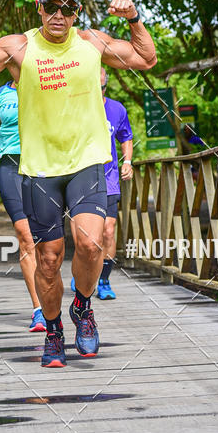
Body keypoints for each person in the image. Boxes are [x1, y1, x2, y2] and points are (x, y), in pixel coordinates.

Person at [0, 0, 156, 368]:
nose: (60, 14)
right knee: (48, 259)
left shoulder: (92, 42)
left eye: (69, 7)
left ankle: (82, 306)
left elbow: (146, 58)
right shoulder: (20, 48)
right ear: (40, 8)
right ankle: (55, 330)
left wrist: (134, 18)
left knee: (92, 245)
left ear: (77, 11)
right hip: (39, 169)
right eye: (53, 6)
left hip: (87, 162)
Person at [0, 81, 45, 332]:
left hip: (43, 165)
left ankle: (53, 302)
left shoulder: (45, 82)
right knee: (26, 237)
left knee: (47, 242)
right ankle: (38, 309)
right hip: (10, 167)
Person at [70, 67, 133, 299]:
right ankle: (80, 273)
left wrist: (128, 161)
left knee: (108, 231)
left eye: (102, 88)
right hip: (78, 179)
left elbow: (126, 137)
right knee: (83, 237)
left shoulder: (116, 109)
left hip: (108, 180)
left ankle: (104, 280)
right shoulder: (72, 108)